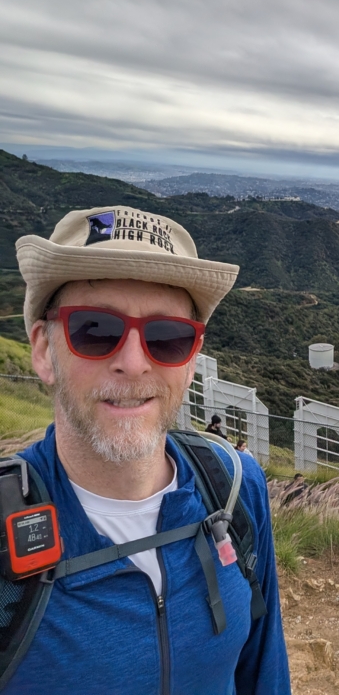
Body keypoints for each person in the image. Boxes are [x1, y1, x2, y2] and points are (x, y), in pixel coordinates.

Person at [8, 206, 289, 694]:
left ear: (191, 361)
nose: (134, 364)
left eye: (168, 337)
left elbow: (264, 675)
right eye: (94, 330)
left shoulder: (235, 487)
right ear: (42, 349)